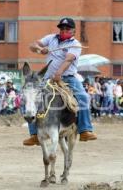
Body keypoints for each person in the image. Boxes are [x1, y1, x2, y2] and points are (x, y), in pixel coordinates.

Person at [24, 17, 97, 146]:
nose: (64, 30)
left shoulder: (75, 44)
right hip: (47, 78)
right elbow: (32, 45)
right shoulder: (51, 38)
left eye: (67, 28)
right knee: (30, 96)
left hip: (68, 78)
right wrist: (40, 49)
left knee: (83, 97)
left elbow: (68, 60)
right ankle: (34, 134)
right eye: (62, 28)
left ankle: (85, 130)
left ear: (73, 30)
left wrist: (59, 73)